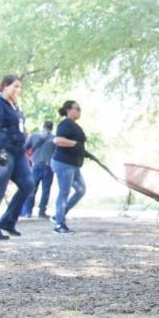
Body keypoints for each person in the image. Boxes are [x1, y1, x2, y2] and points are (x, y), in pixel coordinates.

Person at [0, 74, 34, 240]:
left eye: (19, 87)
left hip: (18, 153)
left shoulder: (15, 106)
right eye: (15, 86)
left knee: (28, 184)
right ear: (4, 86)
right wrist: (0, 153)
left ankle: (8, 222)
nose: (18, 90)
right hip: (0, 151)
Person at [50, 100, 88, 234]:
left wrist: (84, 151)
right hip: (63, 163)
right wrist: (75, 144)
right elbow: (57, 140)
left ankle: (58, 215)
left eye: (80, 109)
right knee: (64, 192)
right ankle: (59, 225)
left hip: (74, 164)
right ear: (68, 110)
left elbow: (78, 144)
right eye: (77, 108)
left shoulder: (73, 125)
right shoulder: (65, 124)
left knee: (81, 190)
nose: (79, 111)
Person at [21, 121, 55, 218]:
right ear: (52, 128)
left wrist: (29, 158)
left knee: (32, 189)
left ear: (43, 126)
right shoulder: (54, 139)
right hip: (49, 166)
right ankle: (42, 211)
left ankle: (28, 212)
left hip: (35, 166)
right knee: (46, 190)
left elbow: (24, 148)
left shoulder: (34, 136)